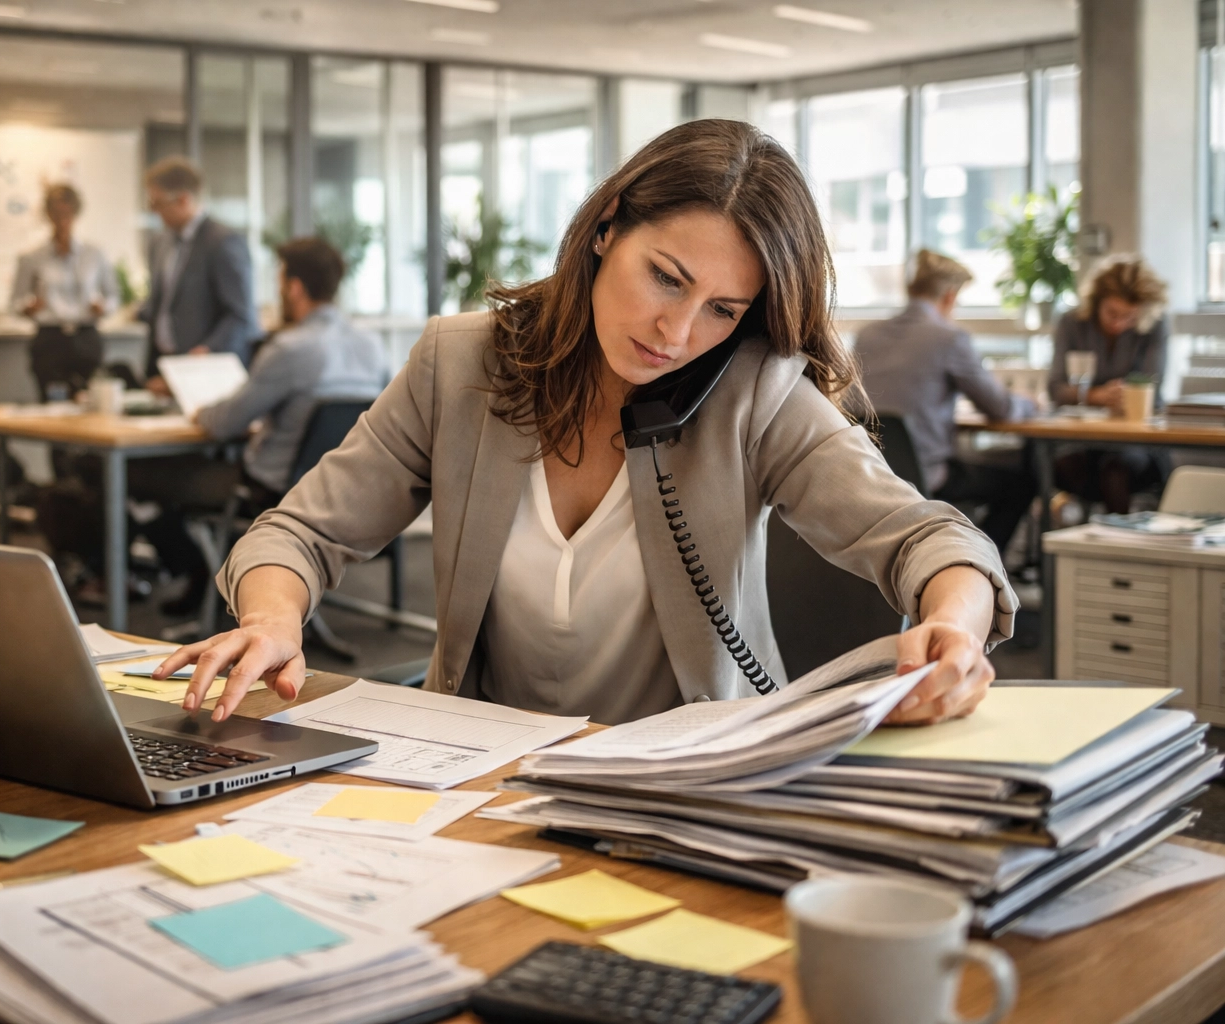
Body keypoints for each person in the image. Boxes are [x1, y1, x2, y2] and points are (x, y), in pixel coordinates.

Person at [155, 119, 1017, 729]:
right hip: (484, 774)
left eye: (722, 309)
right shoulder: (461, 365)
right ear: (607, 229)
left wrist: (955, 628)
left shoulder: (755, 393)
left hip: (683, 783)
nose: (676, 334)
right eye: (667, 277)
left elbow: (932, 540)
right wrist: (272, 619)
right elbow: (297, 532)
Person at [133, 236, 387, 616]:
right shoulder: (372, 346)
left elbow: (224, 423)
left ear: (294, 287)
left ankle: (198, 574)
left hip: (270, 491)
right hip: (342, 491)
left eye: (280, 281)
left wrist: (198, 406)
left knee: (137, 477)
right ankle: (212, 578)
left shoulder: (289, 348)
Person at [855, 250, 1038, 554]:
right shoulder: (949, 338)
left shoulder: (867, 336)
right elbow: (1001, 409)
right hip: (926, 474)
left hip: (872, 472)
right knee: (1022, 483)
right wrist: (1031, 404)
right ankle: (980, 563)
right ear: (950, 297)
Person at [1047, 255, 1171, 514]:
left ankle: (1116, 550)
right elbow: (1056, 388)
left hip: (1135, 443)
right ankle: (1072, 547)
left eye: (1128, 317)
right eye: (1111, 313)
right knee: (1055, 466)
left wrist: (1125, 396)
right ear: (1096, 302)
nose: (1118, 324)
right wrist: (1098, 396)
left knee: (1115, 469)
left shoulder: (1156, 326)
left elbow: (1153, 388)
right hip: (1082, 439)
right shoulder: (1072, 323)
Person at [140, 156, 259, 384]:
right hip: (164, 365)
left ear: (183, 200)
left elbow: (240, 315)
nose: (155, 212)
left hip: (207, 370)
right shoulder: (160, 243)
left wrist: (207, 351)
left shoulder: (223, 242)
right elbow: (163, 304)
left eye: (158, 204)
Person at [10, 183, 120, 401]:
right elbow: (14, 302)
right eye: (56, 213)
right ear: (48, 214)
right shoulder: (33, 257)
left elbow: (113, 296)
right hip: (50, 338)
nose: (62, 219)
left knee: (91, 404)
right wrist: (27, 308)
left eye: (67, 213)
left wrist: (103, 307)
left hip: (86, 336)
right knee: (53, 404)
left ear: (76, 213)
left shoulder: (93, 254)